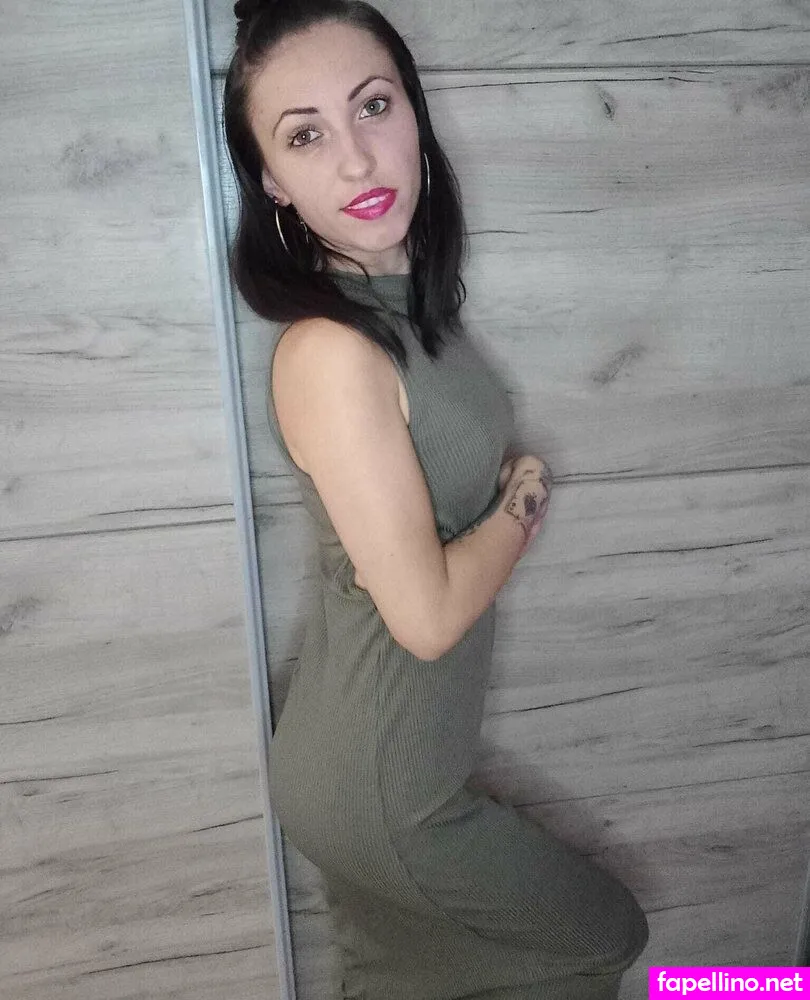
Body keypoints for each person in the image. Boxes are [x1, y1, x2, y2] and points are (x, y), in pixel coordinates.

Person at [222, 2, 650, 997]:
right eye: (305, 136)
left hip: (380, 758)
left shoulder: (406, 312)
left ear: (414, 111)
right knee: (609, 936)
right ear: (272, 180)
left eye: (373, 106)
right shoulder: (330, 351)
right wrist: (522, 503)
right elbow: (424, 618)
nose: (357, 159)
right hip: (382, 786)